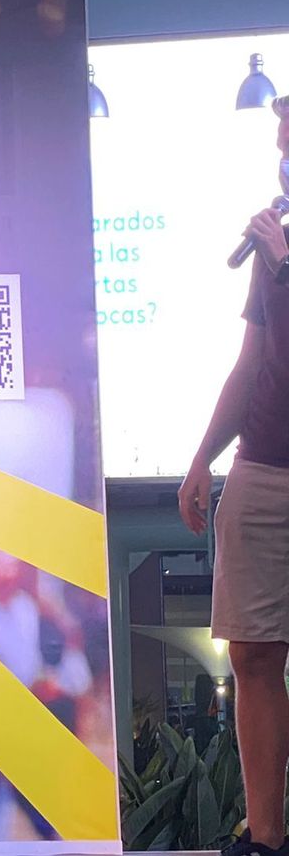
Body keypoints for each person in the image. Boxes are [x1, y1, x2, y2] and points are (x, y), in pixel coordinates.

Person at [176, 95, 289, 856]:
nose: (284, 158)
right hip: (263, 465)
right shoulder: (278, 243)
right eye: (282, 143)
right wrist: (203, 457)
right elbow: (252, 361)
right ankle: (267, 835)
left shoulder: (279, 252)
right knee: (250, 652)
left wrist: (282, 263)